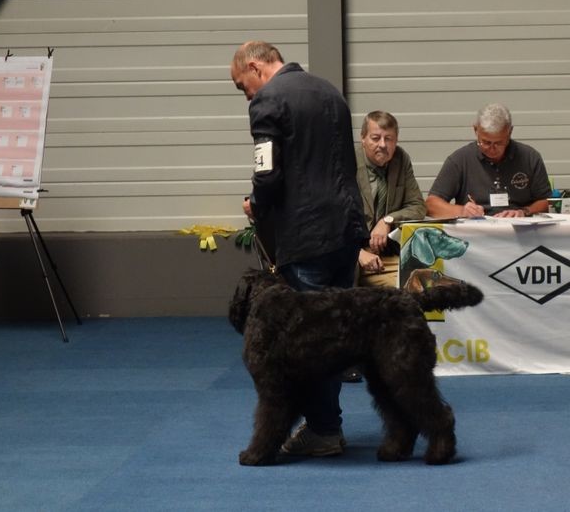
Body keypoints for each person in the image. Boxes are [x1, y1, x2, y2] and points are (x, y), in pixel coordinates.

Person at [230, 40, 368, 457]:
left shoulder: (268, 101)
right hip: (347, 230)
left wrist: (256, 204)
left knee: (307, 343)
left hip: (306, 237)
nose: (247, 95)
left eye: (242, 86)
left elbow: (267, 173)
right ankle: (332, 424)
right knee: (337, 336)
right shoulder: (330, 92)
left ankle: (324, 430)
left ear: (255, 67)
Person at [426, 103, 551, 218]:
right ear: (476, 130)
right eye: (485, 142)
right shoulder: (459, 160)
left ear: (510, 132)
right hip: (475, 233)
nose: (492, 149)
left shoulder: (529, 157)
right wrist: (462, 211)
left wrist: (524, 211)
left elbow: (547, 202)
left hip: (521, 233)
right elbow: (431, 204)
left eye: (499, 143)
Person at [354, 110, 426, 287]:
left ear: (396, 141)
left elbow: (417, 206)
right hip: (352, 256)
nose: (383, 144)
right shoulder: (348, 161)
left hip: (387, 255)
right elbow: (332, 218)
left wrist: (388, 220)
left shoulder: (401, 159)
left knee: (422, 287)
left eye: (389, 139)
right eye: (375, 138)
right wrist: (356, 253)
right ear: (363, 138)